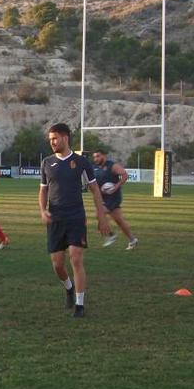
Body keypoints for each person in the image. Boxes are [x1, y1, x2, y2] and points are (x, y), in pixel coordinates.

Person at [39, 123, 112, 318]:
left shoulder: (81, 162)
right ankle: (68, 287)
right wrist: (42, 210)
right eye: (50, 139)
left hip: (76, 217)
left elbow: (95, 189)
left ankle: (80, 304)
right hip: (55, 218)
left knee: (76, 258)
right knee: (57, 264)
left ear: (65, 138)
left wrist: (101, 216)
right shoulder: (46, 162)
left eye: (55, 138)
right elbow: (43, 189)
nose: (52, 142)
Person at [92, 149, 138, 250]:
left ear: (104, 156)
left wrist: (116, 187)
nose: (96, 159)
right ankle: (132, 240)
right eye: (94, 157)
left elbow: (124, 175)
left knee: (99, 214)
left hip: (113, 197)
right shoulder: (94, 168)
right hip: (103, 197)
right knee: (119, 221)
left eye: (98, 156)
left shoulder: (112, 166)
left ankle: (111, 235)